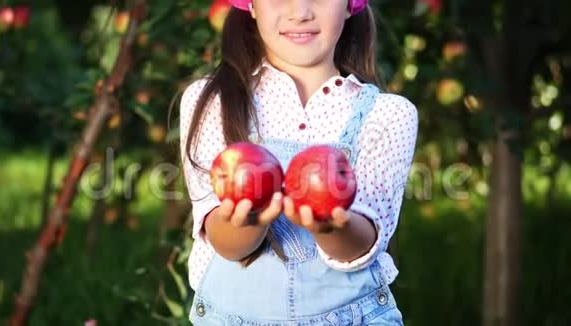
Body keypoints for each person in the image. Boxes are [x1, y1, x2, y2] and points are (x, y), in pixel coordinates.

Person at [179, 0, 418, 324]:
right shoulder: (212, 102)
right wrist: (248, 218)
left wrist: (331, 226)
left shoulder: (388, 115)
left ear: (350, 5)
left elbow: (362, 245)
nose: (300, 11)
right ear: (250, 5)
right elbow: (225, 242)